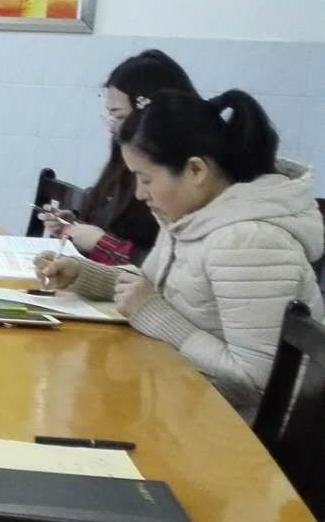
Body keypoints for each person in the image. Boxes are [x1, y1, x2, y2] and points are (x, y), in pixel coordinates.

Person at [36, 90, 324, 420]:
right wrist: (84, 275)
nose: (140, 194)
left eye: (146, 179)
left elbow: (258, 384)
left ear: (196, 170)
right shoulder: (192, 217)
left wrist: (153, 314)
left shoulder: (249, 242)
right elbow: (158, 290)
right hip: (186, 403)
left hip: (242, 434)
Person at [36, 49, 198, 265]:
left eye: (119, 115)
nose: (112, 126)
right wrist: (74, 226)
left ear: (152, 115)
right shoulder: (125, 158)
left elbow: (170, 267)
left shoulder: (178, 175)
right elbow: (112, 220)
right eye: (109, 114)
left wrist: (102, 244)